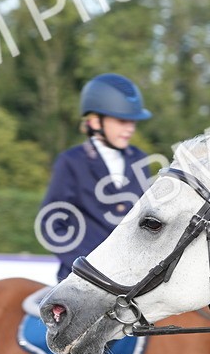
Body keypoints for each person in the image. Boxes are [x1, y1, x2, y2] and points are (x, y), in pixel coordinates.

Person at [39, 73, 153, 282]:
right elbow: (51, 224)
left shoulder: (139, 159)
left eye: (133, 122)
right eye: (122, 121)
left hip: (131, 279)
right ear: (94, 121)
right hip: (81, 277)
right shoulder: (72, 161)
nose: (130, 129)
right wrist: (84, 264)